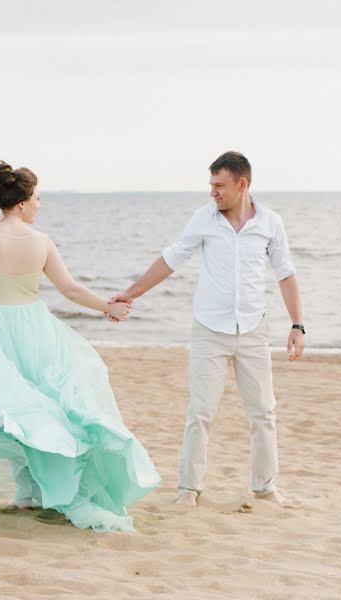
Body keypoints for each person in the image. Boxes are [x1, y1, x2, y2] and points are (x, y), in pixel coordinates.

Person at [0, 160, 161, 532]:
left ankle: (21, 491)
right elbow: (70, 289)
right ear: (22, 203)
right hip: (34, 330)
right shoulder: (41, 242)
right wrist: (108, 307)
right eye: (37, 198)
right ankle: (31, 491)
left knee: (11, 407)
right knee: (42, 406)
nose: (39, 205)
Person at [111, 151, 304, 508]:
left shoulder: (270, 222)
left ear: (241, 185)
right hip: (209, 332)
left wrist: (297, 324)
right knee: (200, 412)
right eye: (211, 185)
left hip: (253, 329)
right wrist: (132, 293)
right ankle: (189, 489)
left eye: (219, 185)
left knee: (263, 411)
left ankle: (265, 487)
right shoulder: (203, 219)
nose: (213, 192)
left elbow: (285, 273)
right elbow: (171, 259)